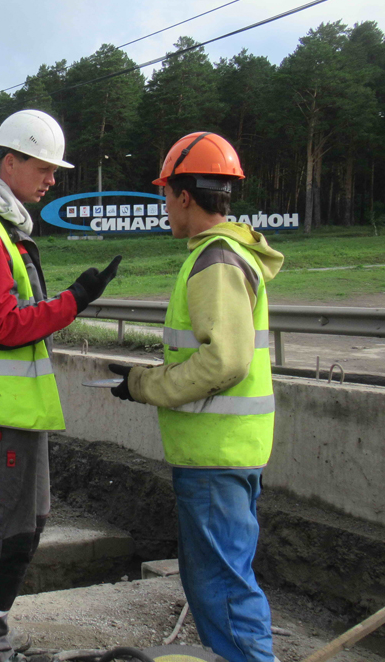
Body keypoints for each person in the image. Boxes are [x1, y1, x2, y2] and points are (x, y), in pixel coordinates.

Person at [0, 109, 122, 662]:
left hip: (12, 406)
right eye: (44, 168)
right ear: (9, 162)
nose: (52, 180)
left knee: (28, 520)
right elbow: (2, 326)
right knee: (1, 526)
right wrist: (74, 301)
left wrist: (67, 300)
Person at [108, 132, 282, 662]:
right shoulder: (225, 254)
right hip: (225, 451)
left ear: (184, 196)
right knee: (219, 581)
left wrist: (145, 385)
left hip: (215, 456)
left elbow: (224, 361)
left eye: (166, 194)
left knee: (223, 591)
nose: (164, 205)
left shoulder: (217, 260)